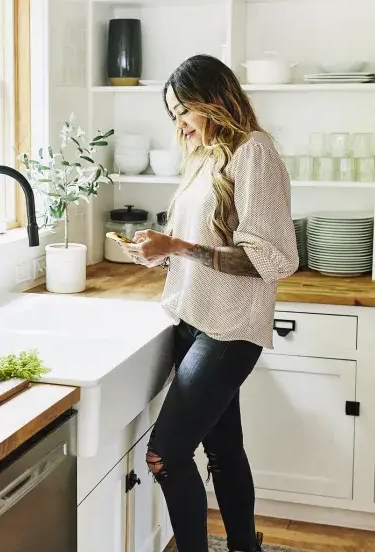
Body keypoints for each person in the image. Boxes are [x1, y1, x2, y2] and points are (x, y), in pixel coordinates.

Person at [122, 54, 299, 552]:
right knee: (222, 450)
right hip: (192, 317)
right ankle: (246, 547)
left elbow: (273, 258)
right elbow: (197, 244)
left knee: (165, 455)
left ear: (212, 100)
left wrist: (177, 247)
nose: (179, 123)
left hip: (229, 329)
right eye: (173, 114)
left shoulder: (254, 151)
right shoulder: (205, 156)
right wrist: (158, 254)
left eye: (184, 111)